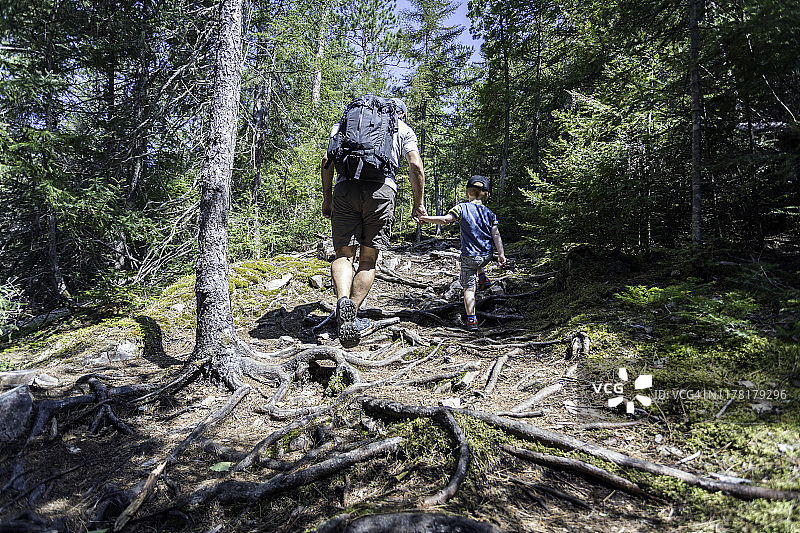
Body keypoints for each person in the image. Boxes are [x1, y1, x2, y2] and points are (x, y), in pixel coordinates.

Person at [321, 96, 427, 348]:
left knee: (344, 254)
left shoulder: (344, 124)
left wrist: (327, 198)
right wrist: (418, 202)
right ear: (399, 113)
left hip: (345, 189)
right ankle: (351, 315)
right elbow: (415, 165)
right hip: (381, 191)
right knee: (368, 260)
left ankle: (342, 301)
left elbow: (327, 162)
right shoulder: (402, 128)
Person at [419, 175, 506, 331]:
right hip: (487, 255)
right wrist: (501, 255)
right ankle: (483, 277)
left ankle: (472, 320)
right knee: (479, 261)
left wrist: (426, 219)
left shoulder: (461, 208)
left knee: (469, 290)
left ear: (467, 193)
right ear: (487, 195)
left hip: (470, 257)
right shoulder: (490, 214)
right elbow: (496, 234)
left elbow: (446, 220)